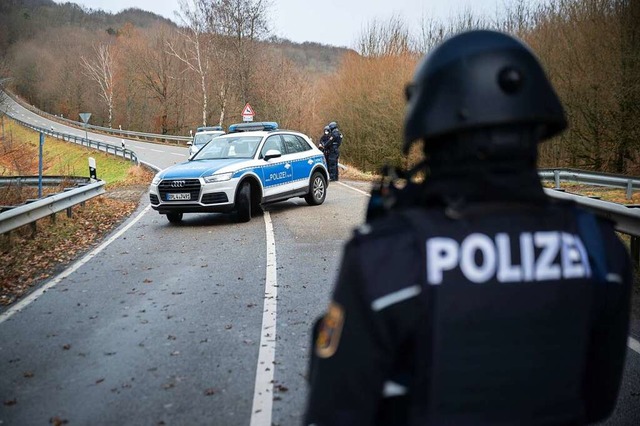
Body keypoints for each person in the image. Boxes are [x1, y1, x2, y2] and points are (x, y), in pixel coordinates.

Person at [305, 29, 632, 426]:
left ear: (431, 129)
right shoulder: (601, 250)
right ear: (536, 124)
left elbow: (334, 410)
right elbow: (597, 402)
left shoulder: (384, 257)